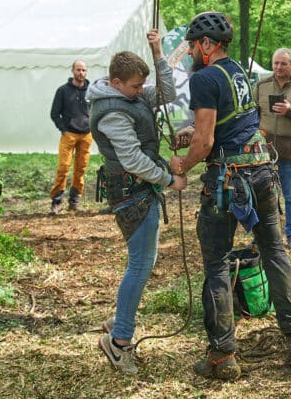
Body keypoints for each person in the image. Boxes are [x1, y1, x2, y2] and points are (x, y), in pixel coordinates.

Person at [170, 12, 291, 381]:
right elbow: (230, 122)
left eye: (194, 45)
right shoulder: (239, 73)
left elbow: (206, 141)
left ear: (207, 44)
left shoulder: (204, 78)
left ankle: (222, 356)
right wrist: (193, 132)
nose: (191, 53)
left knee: (216, 264)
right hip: (262, 174)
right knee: (275, 251)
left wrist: (181, 166)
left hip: (227, 183)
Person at [88, 29, 187, 374]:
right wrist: (168, 179)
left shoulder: (128, 96)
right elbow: (131, 160)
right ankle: (118, 342)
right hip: (131, 191)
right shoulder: (113, 111)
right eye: (134, 86)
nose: (139, 91)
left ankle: (119, 322)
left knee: (141, 262)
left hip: (138, 189)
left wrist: (158, 52)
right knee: (141, 264)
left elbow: (168, 92)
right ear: (116, 82)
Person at [254, 48, 291, 252]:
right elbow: (252, 114)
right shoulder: (261, 86)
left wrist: (290, 111)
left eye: (283, 64)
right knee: (263, 195)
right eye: (276, 63)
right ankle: (264, 236)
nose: (279, 67)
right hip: (263, 153)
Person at [49, 60, 92, 213]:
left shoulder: (91, 91)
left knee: (81, 168)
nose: (81, 73)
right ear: (72, 71)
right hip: (69, 134)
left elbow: (95, 110)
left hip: (86, 135)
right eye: (78, 70)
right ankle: (57, 200)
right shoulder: (63, 90)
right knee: (63, 167)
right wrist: (63, 129)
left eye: (84, 70)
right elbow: (54, 113)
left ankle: (74, 201)